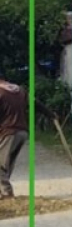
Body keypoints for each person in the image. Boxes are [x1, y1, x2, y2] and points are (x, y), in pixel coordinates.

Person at [0, 72, 28, 200]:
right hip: (22, 132)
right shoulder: (19, 90)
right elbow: (34, 103)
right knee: (7, 164)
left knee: (1, 165)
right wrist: (51, 115)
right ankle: (3, 191)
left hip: (8, 132)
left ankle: (7, 193)